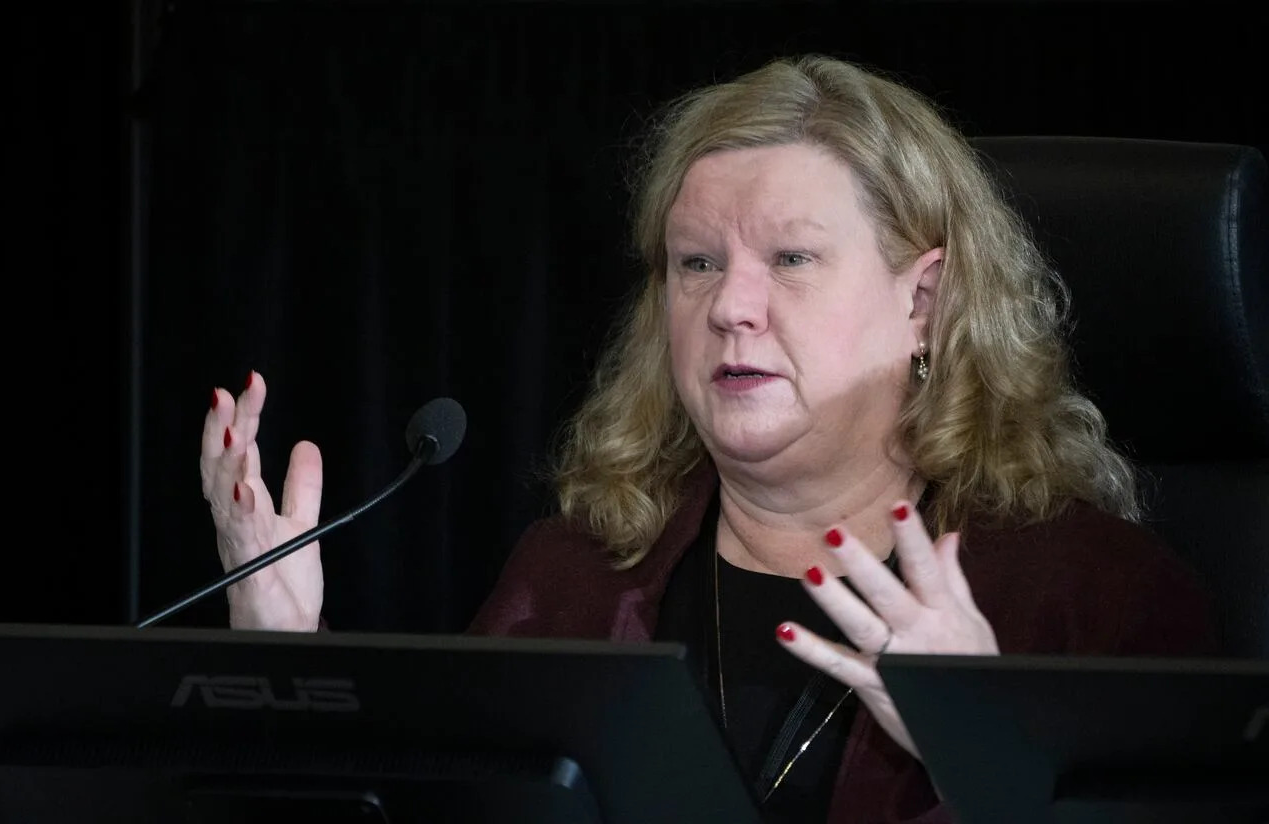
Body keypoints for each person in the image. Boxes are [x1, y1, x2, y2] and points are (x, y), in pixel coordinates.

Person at [200, 55, 1215, 823]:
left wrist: (991, 760)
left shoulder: (1090, 595)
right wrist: (293, 676)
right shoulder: (572, 582)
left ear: (924, 300)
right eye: (693, 262)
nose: (730, 305)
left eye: (790, 257)